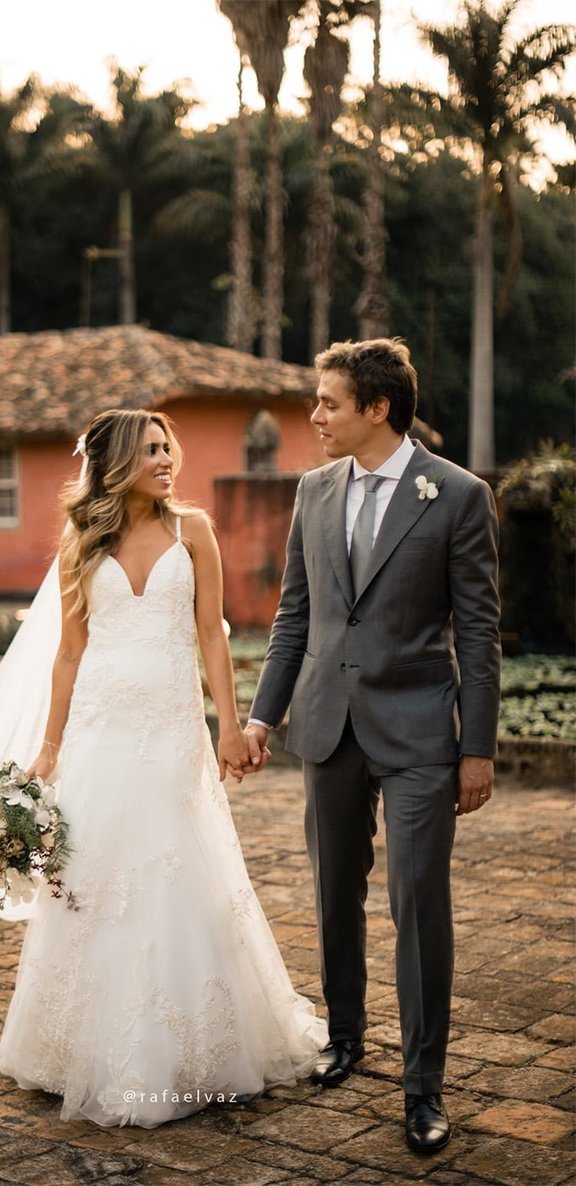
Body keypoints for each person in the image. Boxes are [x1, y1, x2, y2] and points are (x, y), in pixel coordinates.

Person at [0, 409, 325, 1128]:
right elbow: (68, 654)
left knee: (175, 867)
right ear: (115, 464)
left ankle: (189, 1047)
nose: (168, 460)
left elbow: (211, 637)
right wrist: (49, 747)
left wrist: (228, 724)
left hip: (169, 730)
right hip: (100, 730)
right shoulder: (81, 543)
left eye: (170, 448)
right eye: (151, 451)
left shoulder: (192, 530)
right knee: (95, 875)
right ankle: (78, 1045)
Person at [243, 338, 500, 1155]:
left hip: (422, 731)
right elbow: (295, 615)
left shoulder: (458, 496)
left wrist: (478, 748)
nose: (314, 416)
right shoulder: (313, 491)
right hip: (326, 724)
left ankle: (424, 1088)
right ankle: (344, 1038)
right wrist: (260, 717)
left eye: (328, 402)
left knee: (418, 904)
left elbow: (480, 632)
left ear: (376, 408)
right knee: (331, 898)